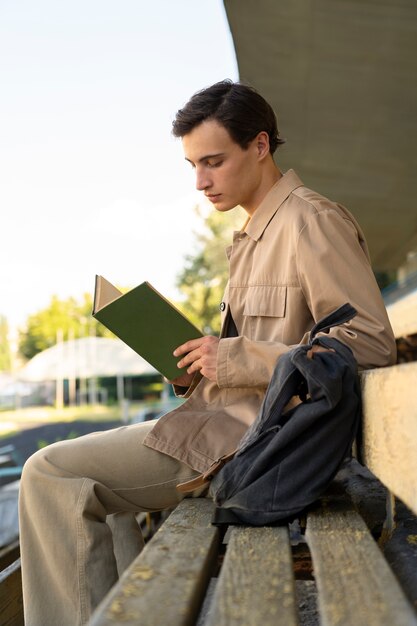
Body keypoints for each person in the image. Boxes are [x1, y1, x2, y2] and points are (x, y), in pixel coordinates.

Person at [19, 79, 396, 625]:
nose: (200, 181)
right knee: (90, 484)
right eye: (193, 165)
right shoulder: (253, 236)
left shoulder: (310, 222)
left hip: (252, 444)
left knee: (50, 472)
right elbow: (268, 349)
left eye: (213, 161)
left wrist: (238, 359)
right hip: (222, 422)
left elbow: (370, 345)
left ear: (260, 146)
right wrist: (199, 365)